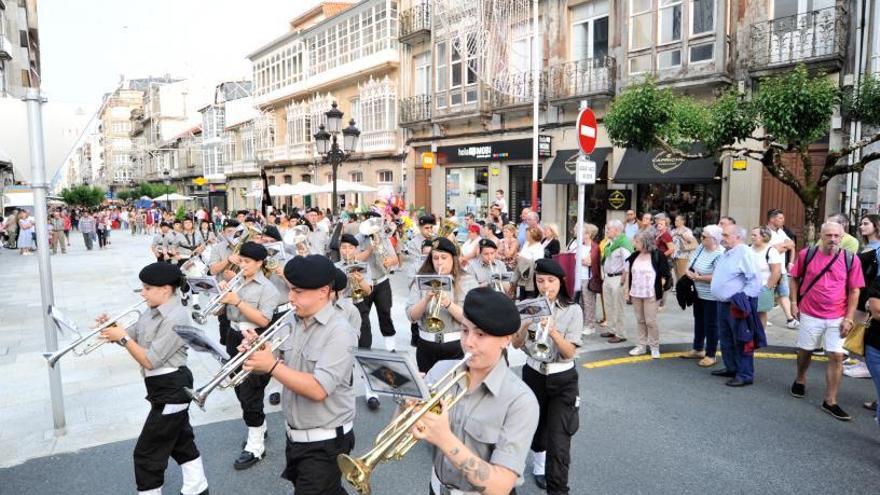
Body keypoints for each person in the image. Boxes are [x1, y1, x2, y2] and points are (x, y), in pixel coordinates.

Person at [242, 254, 357, 495]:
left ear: (323, 291)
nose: (290, 297)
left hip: (325, 442)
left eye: (298, 291)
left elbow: (318, 389)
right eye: (289, 290)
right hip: (296, 436)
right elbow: (284, 362)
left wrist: (272, 366)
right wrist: (259, 350)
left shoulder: (340, 331)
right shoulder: (292, 321)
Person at [413, 287, 539, 495]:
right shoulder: (441, 370)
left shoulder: (520, 401)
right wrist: (409, 403)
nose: (468, 342)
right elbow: (409, 431)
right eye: (464, 330)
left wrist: (444, 438)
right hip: (437, 488)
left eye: (480, 334)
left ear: (506, 339)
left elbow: (501, 486)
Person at [97, 262, 209, 495]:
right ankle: (197, 487)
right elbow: (132, 336)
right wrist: (113, 329)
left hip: (172, 386)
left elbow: (150, 360)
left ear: (165, 289)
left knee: (147, 453)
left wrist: (124, 340)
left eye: (148, 288)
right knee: (180, 441)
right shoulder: (152, 310)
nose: (143, 293)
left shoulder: (176, 317)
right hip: (160, 386)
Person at [511, 259, 582, 493]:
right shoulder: (528, 305)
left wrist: (552, 331)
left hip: (562, 378)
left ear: (560, 282)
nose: (545, 286)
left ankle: (557, 489)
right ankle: (539, 466)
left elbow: (570, 352)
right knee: (536, 427)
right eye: (540, 281)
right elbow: (516, 344)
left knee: (559, 440)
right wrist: (525, 324)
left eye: (551, 281)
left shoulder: (573, 310)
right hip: (533, 372)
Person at [789, 222, 864, 420]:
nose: (832, 239)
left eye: (836, 236)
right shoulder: (807, 254)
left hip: (838, 316)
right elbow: (794, 277)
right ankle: (800, 378)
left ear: (842, 237)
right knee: (805, 351)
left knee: (837, 356)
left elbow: (854, 290)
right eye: (828, 235)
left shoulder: (851, 259)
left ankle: (830, 401)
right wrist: (794, 303)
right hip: (810, 313)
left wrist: (849, 317)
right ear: (821, 235)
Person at [220, 241, 282, 469]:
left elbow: (264, 320)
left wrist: (237, 300)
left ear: (259, 263)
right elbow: (225, 311)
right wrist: (222, 297)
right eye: (241, 261)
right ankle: (259, 426)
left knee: (251, 392)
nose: (242, 265)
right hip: (234, 336)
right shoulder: (236, 282)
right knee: (238, 386)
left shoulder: (269, 289)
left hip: (256, 339)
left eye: (247, 262)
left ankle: (256, 446)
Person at [407, 237, 474, 372]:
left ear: (453, 259)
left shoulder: (466, 281)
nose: (439, 262)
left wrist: (448, 303)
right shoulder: (421, 280)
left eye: (444, 257)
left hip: (455, 345)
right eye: (435, 258)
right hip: (426, 344)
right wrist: (426, 299)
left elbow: (469, 318)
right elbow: (411, 316)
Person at [709, 225, 763, 387]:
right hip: (723, 303)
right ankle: (732, 367)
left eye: (725, 235)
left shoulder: (744, 253)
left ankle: (745, 374)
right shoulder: (727, 252)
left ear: (737, 236)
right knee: (725, 338)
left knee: (741, 339)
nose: (722, 238)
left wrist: (742, 299)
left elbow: (755, 280)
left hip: (736, 305)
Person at [338, 233, 381, 410]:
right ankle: (345, 391)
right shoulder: (335, 267)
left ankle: (371, 391)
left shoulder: (363, 267)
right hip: (341, 308)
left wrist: (360, 279)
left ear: (356, 250)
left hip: (359, 306)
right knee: (342, 351)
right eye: (343, 247)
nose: (346, 251)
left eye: (350, 248)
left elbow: (369, 291)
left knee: (365, 348)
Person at [355, 212, 400, 353]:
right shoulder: (358, 239)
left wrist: (390, 261)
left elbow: (395, 259)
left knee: (385, 313)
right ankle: (363, 347)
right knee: (362, 316)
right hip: (364, 283)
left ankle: (391, 347)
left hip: (382, 281)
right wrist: (371, 249)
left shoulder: (383, 237)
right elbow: (356, 259)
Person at [681, 225, 725, 367]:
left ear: (714, 239)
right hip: (698, 292)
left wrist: (699, 278)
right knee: (699, 320)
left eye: (704, 237)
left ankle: (711, 354)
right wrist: (688, 272)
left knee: (712, 325)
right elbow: (690, 263)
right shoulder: (701, 248)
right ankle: (698, 348)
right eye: (701, 235)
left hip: (711, 295)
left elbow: (719, 276)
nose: (701, 238)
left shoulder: (720, 253)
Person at [623, 229, 672, 358]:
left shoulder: (658, 255)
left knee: (650, 321)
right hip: (636, 293)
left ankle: (654, 346)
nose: (634, 243)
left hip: (651, 293)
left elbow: (666, 275)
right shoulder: (634, 256)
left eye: (637, 241)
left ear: (645, 242)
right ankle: (641, 346)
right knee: (640, 320)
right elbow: (630, 275)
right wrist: (627, 292)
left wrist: (660, 288)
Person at [600, 220, 633, 344]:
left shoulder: (623, 243)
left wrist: (623, 281)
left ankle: (620, 333)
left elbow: (628, 264)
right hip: (609, 277)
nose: (607, 231)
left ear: (617, 230)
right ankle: (612, 329)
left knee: (618, 307)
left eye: (609, 228)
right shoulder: (612, 242)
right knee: (609, 306)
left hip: (618, 278)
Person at [766, 209, 799, 328]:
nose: (783, 220)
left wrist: (780, 246)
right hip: (769, 270)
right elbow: (771, 250)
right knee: (767, 294)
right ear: (771, 219)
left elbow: (791, 244)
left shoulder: (781, 232)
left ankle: (790, 319)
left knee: (784, 294)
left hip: (782, 270)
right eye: (780, 218)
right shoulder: (765, 232)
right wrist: (781, 247)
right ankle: (762, 317)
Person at [750, 226, 783, 328]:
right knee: (747, 313)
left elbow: (776, 272)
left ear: (764, 236)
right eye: (752, 235)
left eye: (755, 235)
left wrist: (767, 288)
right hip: (747, 288)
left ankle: (760, 337)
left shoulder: (771, 251)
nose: (752, 237)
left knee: (761, 313)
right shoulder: (747, 249)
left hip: (763, 288)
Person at [514, 226, 545, 300]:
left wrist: (522, 259)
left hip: (530, 275)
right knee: (522, 295)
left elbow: (537, 261)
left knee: (530, 296)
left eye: (527, 234)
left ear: (533, 235)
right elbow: (522, 254)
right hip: (522, 272)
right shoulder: (526, 243)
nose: (526, 236)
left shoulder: (539, 247)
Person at [671, 215, 697, 280]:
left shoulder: (687, 230)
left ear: (682, 221)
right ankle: (678, 288)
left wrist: (681, 234)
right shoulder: (673, 230)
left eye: (677, 220)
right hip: (674, 255)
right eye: (675, 220)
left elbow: (691, 240)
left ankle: (683, 289)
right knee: (676, 274)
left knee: (682, 274)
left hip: (683, 255)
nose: (675, 222)